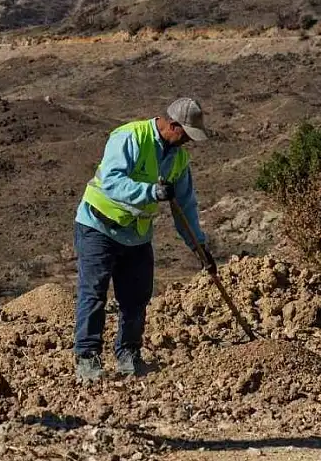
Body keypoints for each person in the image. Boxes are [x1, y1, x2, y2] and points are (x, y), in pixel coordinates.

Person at [73, 97, 216, 383]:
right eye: (186, 134)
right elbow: (112, 181)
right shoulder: (130, 136)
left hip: (137, 234)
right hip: (99, 225)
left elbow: (185, 207)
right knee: (94, 293)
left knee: (136, 298)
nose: (187, 141)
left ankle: (128, 354)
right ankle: (87, 357)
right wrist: (150, 192)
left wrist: (198, 247)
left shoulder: (179, 159)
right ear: (173, 125)